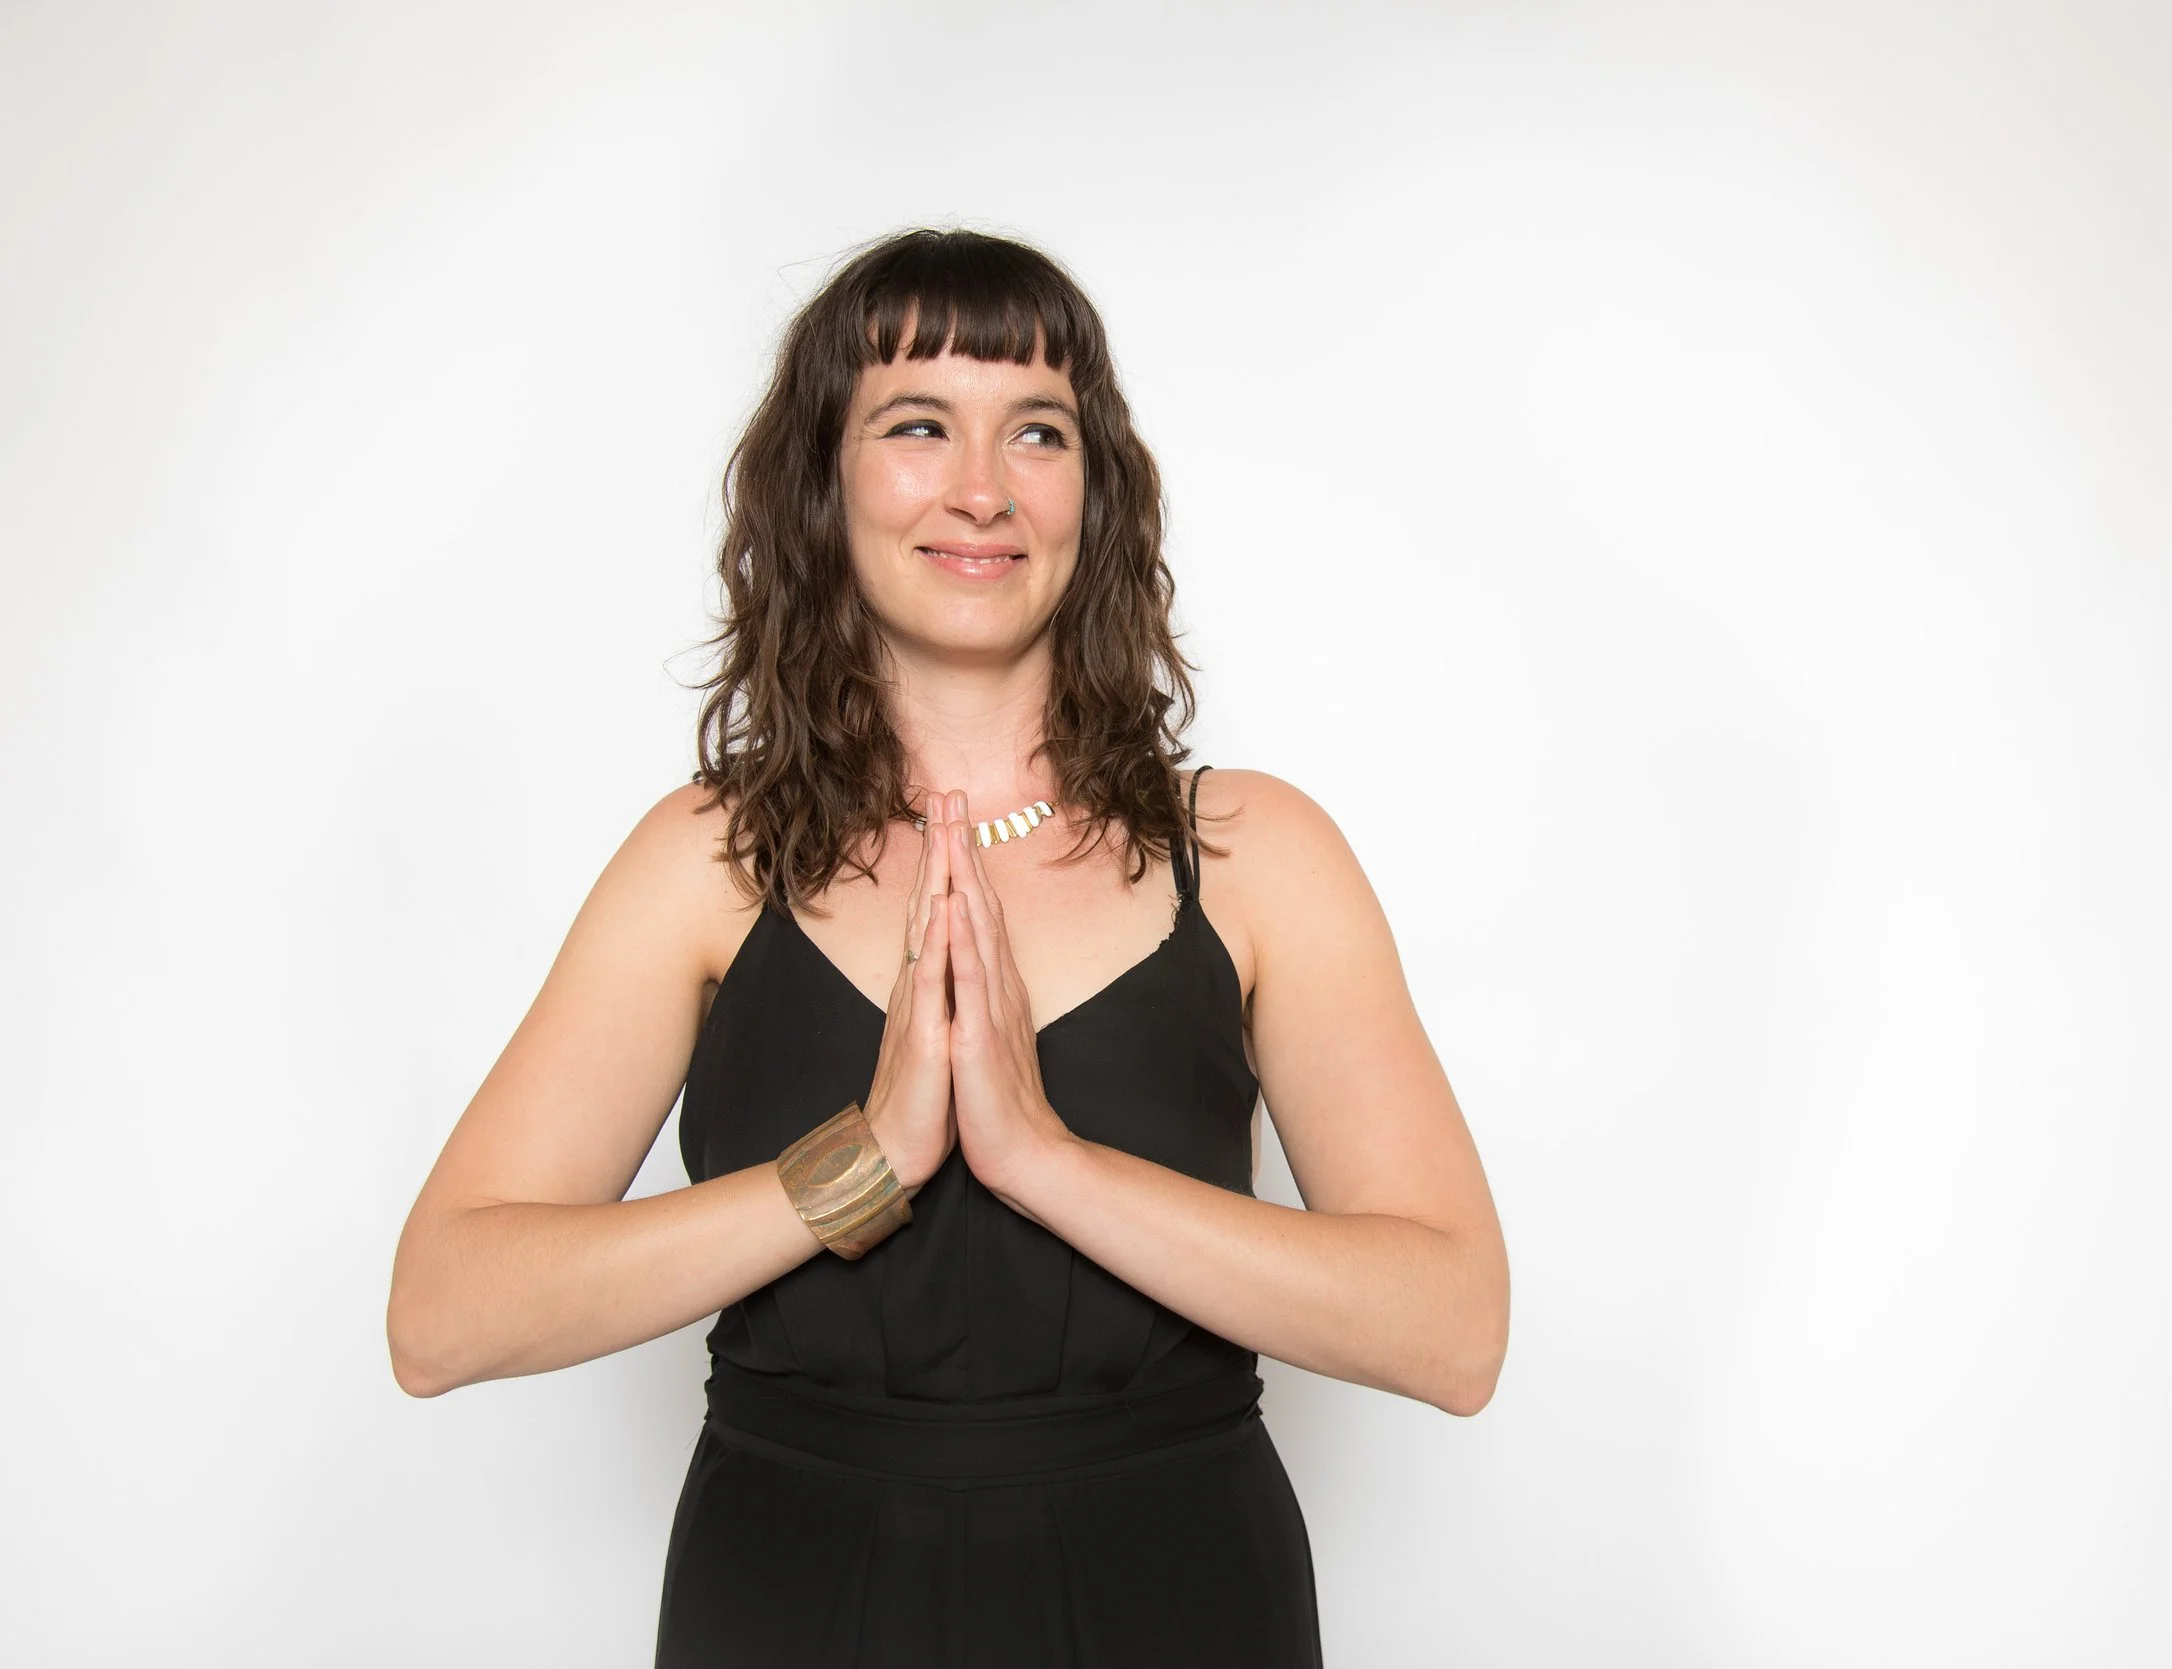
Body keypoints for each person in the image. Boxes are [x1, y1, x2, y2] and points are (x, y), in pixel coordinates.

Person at [386, 226, 1509, 1666]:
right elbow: (444, 1316)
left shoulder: (1251, 853)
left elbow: (1451, 1333)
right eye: (918, 425)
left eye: (1037, 431)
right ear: (822, 482)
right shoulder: (709, 857)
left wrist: (1046, 1162)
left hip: (1177, 1602)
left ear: (1096, 492)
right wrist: (863, 1165)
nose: (983, 487)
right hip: (791, 1606)